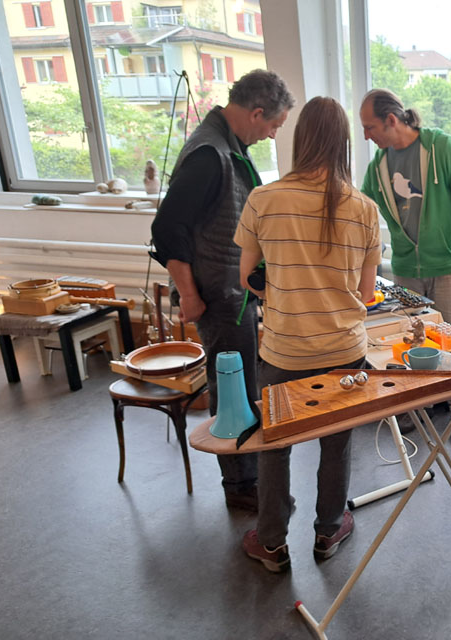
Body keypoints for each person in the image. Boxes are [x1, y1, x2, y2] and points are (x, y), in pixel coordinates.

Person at [235, 96, 381, 573]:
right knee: (336, 444)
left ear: (301, 140)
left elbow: (248, 278)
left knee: (275, 444)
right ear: (343, 144)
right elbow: (366, 292)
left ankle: (271, 541)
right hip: (343, 348)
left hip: (284, 349)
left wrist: (283, 285)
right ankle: (329, 528)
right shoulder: (364, 208)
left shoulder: (263, 200)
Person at [150, 70, 295, 511]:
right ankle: (240, 485)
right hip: (216, 298)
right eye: (274, 126)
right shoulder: (209, 156)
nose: (271, 135)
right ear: (256, 113)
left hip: (233, 295)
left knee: (244, 384)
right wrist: (190, 296)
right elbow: (166, 230)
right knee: (231, 390)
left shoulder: (227, 146)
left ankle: (247, 475)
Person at [360, 89, 451, 444]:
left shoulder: (440, 147)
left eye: (370, 127)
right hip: (405, 267)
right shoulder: (378, 166)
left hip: (447, 265)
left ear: (391, 120)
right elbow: (361, 209)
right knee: (412, 339)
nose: (366, 135)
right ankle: (420, 404)